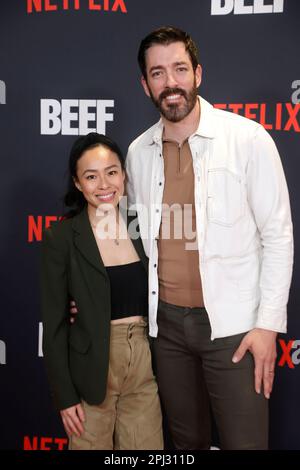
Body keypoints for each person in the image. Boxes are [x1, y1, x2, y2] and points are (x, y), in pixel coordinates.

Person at [124, 26, 294, 450]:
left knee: (245, 442)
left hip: (235, 330)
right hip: (167, 330)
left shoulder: (248, 139)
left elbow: (278, 235)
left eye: (180, 69)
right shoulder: (137, 152)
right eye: (158, 73)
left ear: (198, 73)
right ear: (145, 84)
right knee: (185, 444)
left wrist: (268, 325)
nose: (171, 83)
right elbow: (132, 241)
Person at [40, 132, 163, 450]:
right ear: (78, 184)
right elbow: (52, 326)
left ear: (124, 174)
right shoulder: (63, 236)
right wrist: (65, 398)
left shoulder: (143, 224)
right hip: (91, 370)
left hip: (145, 366)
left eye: (111, 172)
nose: (104, 185)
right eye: (91, 176)